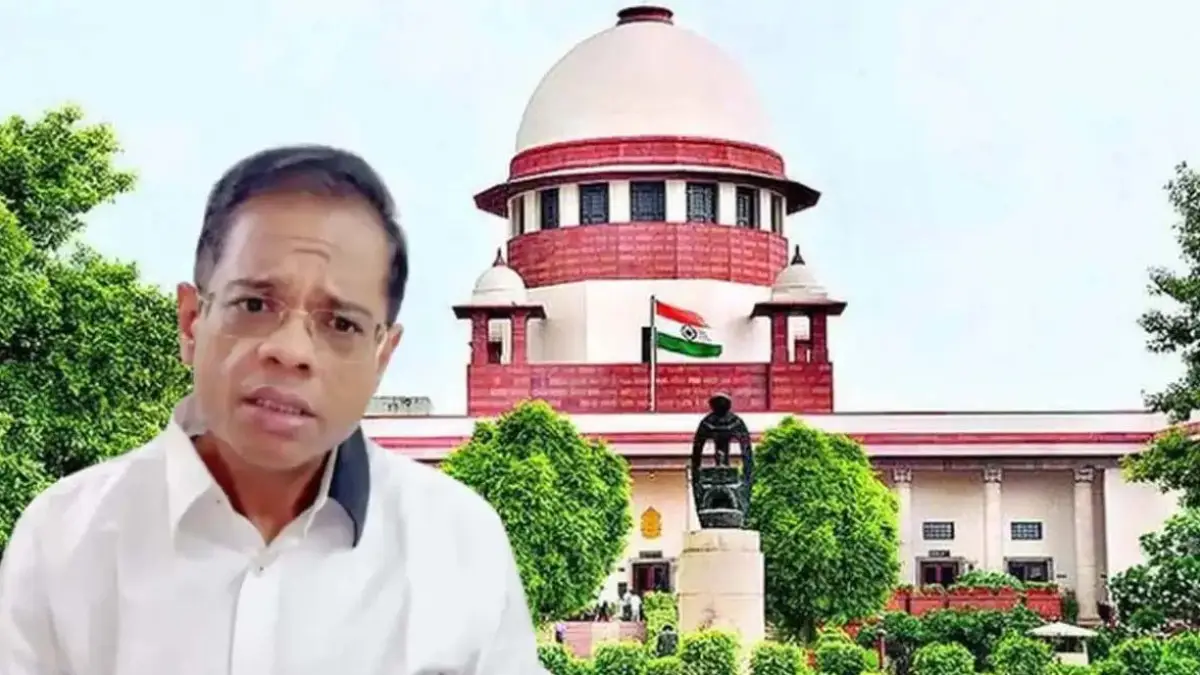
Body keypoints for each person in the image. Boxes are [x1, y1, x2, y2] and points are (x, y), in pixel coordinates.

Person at [0, 145, 543, 674]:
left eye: (341, 323)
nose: (290, 350)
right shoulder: (65, 540)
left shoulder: (458, 545)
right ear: (191, 322)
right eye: (255, 304)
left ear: (382, 355)